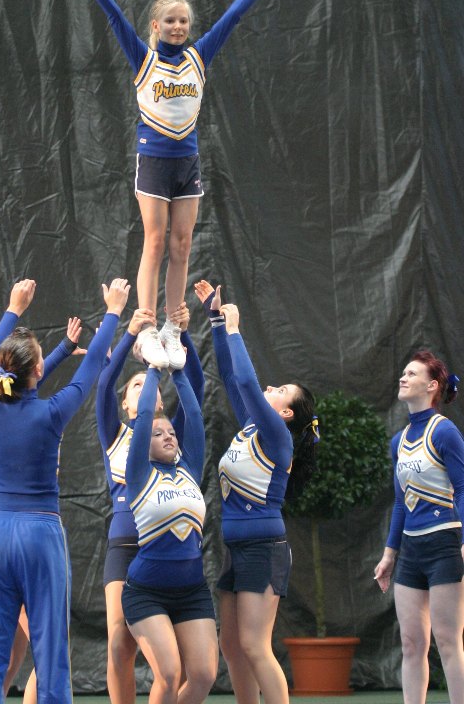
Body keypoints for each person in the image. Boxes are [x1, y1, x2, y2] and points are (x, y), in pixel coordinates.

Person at [61, 0, 291, 370]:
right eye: (170, 20)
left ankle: (171, 326)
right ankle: (146, 325)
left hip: (187, 163)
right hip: (153, 161)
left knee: (182, 243)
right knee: (154, 239)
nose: (178, 26)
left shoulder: (199, 57)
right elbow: (114, 18)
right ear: (156, 25)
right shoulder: (144, 59)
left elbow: (232, 17)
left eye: (184, 20)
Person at [0, 277, 129, 703]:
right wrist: (113, 311)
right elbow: (90, 371)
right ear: (37, 371)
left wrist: (14, 308)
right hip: (40, 535)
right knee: (52, 659)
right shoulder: (50, 414)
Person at [0, 317, 86, 702]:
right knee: (38, 654)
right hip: (30, 535)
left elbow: (28, 382)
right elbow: (27, 385)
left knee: (3, 659)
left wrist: (62, 350)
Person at [194, 280, 318, 704]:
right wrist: (215, 320)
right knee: (231, 646)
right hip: (237, 548)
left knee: (254, 645)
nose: (271, 387)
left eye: (280, 391)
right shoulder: (252, 426)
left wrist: (235, 329)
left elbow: (248, 383)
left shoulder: (277, 438)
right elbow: (232, 377)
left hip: (264, 549)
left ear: (285, 413)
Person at [95, 303, 204, 704]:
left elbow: (197, 390)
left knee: (174, 661)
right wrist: (129, 337)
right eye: (135, 386)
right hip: (127, 546)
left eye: (149, 383)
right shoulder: (116, 433)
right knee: (120, 642)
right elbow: (104, 385)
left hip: (169, 550)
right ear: (127, 404)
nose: (144, 388)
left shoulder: (171, 435)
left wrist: (182, 336)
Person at [121, 359, 217, 704]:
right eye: (158, 434)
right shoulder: (139, 474)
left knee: (203, 676)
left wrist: (178, 370)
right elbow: (145, 413)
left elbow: (194, 416)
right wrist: (153, 370)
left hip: (192, 590)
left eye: (172, 433)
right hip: (147, 592)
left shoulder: (189, 468)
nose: (168, 437)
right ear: (143, 441)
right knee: (170, 673)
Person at [374, 350, 464, 704]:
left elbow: (462, 488)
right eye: (403, 372)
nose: (403, 377)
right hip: (411, 552)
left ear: (432, 386)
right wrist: (389, 554)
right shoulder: (398, 442)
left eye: (412, 374)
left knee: (448, 641)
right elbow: (400, 502)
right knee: (411, 643)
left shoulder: (445, 431)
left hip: (444, 545)